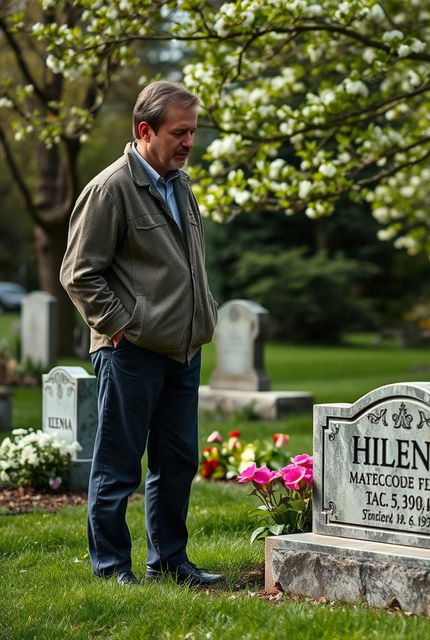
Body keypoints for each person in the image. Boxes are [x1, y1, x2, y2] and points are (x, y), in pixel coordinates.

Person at [60, 81, 222, 586]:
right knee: (118, 467)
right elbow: (79, 272)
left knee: (176, 464)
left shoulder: (181, 184)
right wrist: (120, 326)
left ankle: (170, 561)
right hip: (130, 352)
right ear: (145, 130)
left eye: (192, 132)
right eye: (179, 132)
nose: (188, 142)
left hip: (183, 350)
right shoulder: (111, 189)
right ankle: (111, 570)